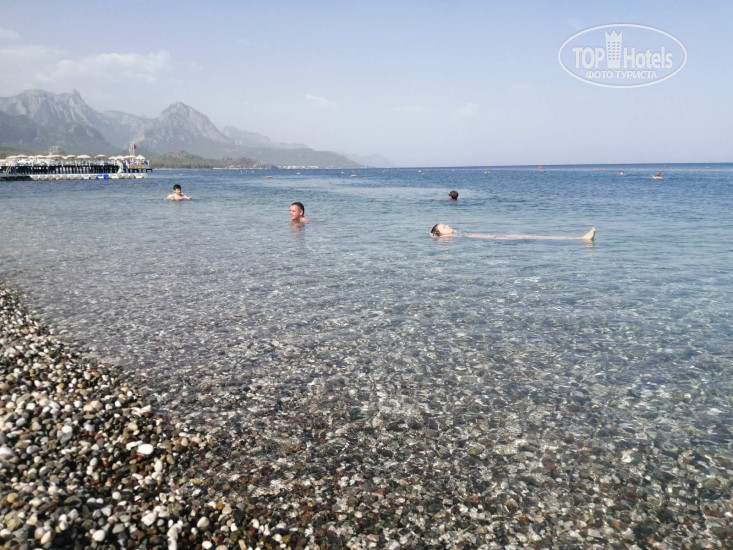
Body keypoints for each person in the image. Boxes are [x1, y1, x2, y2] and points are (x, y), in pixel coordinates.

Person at [430, 224, 596, 241]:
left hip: (496, 237)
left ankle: (579, 238)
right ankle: (580, 238)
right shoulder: (450, 237)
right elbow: (433, 235)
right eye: (443, 227)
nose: (448, 226)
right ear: (441, 234)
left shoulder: (455, 235)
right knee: (532, 237)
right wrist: (433, 235)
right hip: (497, 239)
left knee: (531, 236)